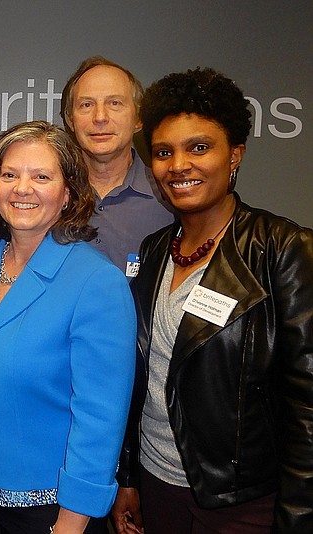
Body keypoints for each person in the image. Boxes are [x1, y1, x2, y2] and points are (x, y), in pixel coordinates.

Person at [112, 68, 313, 534]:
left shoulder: (284, 250)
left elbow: (307, 405)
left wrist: (299, 515)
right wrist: (129, 478)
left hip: (242, 501)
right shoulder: (155, 249)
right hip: (158, 484)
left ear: (235, 154)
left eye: (198, 147)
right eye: (164, 152)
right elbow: (141, 372)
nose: (178, 165)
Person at [0, 121, 136, 534]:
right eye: (9, 174)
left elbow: (100, 416)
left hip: (48, 512)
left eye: (41, 176)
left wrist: (71, 523)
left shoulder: (96, 282)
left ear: (68, 192)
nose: (22, 188)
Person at [60, 56, 173, 277]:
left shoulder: (170, 195)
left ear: (139, 118)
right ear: (70, 120)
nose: (100, 117)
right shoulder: (45, 195)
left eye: (115, 103)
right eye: (86, 105)